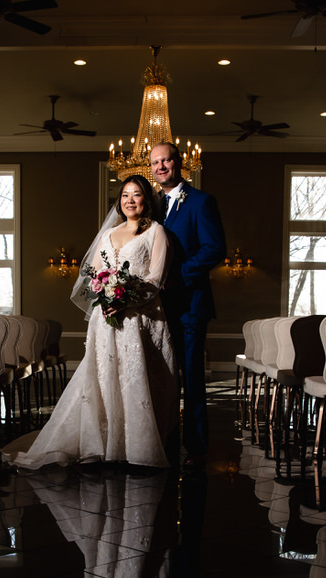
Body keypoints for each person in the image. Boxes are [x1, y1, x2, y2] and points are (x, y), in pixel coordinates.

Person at [2, 174, 178, 469]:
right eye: (125, 195)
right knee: (103, 375)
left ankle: (135, 447)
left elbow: (156, 278)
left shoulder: (156, 232)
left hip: (141, 318)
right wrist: (105, 294)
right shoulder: (110, 234)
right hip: (105, 317)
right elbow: (94, 275)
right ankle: (104, 442)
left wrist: (126, 300)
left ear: (146, 200)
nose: (129, 200)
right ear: (119, 201)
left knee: (136, 378)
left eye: (136, 195)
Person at [149, 142, 226, 468]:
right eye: (155, 162)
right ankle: (161, 442)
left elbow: (214, 249)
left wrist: (176, 275)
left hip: (190, 305)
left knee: (191, 378)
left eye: (166, 160)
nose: (161, 167)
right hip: (155, 308)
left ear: (180, 164)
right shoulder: (151, 205)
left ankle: (196, 447)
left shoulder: (200, 201)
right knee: (160, 377)